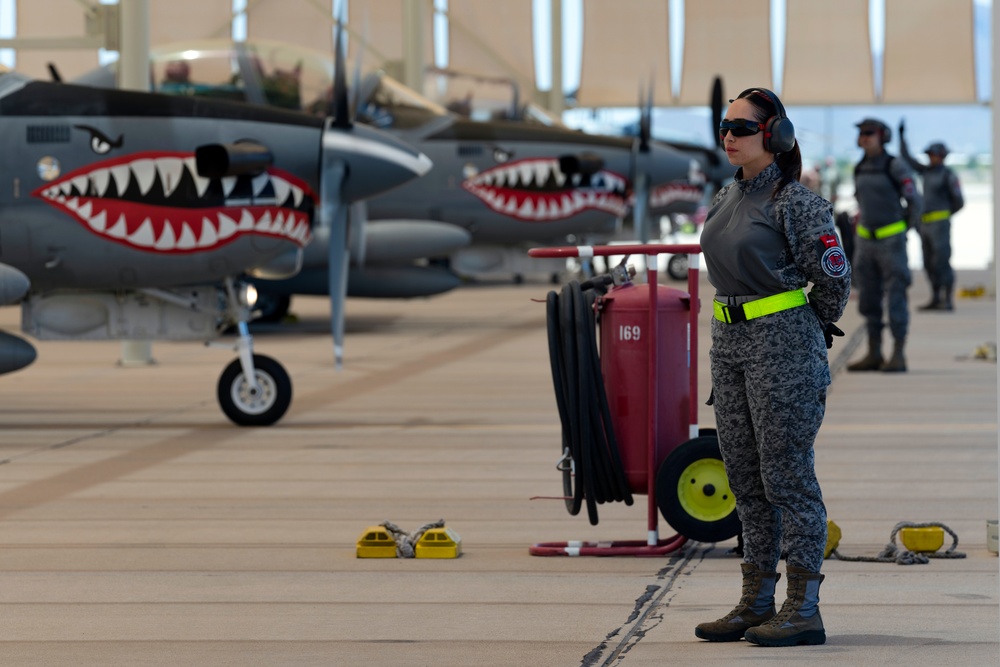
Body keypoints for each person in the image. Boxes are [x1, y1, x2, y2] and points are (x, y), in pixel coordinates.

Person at [695, 88, 851, 647]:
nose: (729, 136)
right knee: (746, 481)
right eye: (724, 126)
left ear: (775, 135)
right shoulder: (725, 195)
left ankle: (802, 607)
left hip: (781, 348)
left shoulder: (798, 203)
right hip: (730, 346)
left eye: (741, 127)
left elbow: (833, 279)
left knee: (787, 478)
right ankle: (755, 601)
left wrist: (806, 332)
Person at [846, 119, 922, 373]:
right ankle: (874, 352)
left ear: (882, 137)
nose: (863, 137)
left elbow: (914, 202)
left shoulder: (895, 166)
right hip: (865, 242)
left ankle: (898, 354)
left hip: (892, 243)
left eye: (869, 133)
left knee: (896, 297)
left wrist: (903, 230)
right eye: (861, 133)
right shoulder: (860, 167)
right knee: (868, 298)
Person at [898, 123, 965, 311]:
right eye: (929, 155)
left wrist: (943, 215)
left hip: (940, 224)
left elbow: (959, 201)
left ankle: (948, 299)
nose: (930, 158)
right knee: (928, 262)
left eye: (934, 155)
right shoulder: (926, 171)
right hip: (924, 224)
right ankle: (936, 297)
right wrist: (901, 137)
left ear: (942, 156)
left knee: (941, 261)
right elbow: (907, 159)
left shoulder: (948, 175)